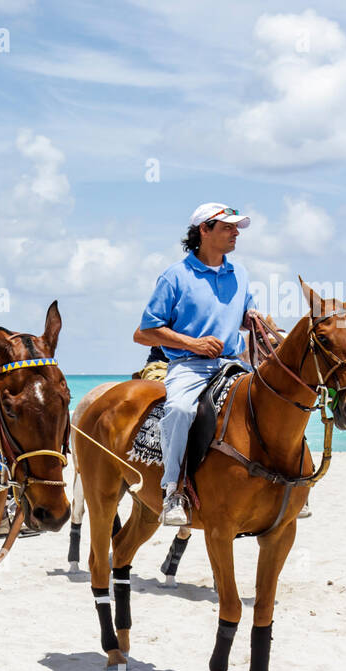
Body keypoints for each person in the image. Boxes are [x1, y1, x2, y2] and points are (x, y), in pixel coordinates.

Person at [133, 203, 263, 527]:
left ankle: (283, 482)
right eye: (227, 228)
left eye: (237, 228)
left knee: (271, 400)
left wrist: (255, 318)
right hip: (190, 366)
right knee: (179, 410)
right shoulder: (175, 276)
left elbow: (247, 314)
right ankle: (172, 491)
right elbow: (146, 331)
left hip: (232, 363)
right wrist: (193, 343)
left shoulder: (240, 274)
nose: (236, 233)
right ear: (203, 231)